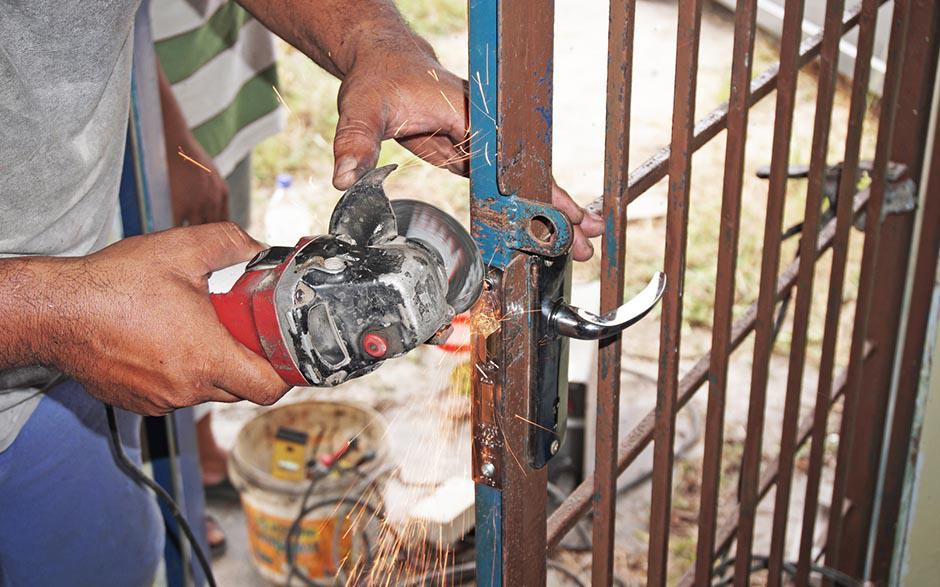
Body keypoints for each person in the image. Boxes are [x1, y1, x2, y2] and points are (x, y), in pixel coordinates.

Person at [0, 0, 603, 584]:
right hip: (61, 318)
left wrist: (377, 41)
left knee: (109, 562)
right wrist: (54, 314)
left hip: (65, 352)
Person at [153, 0, 288, 557]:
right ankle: (170, 483)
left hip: (219, 75)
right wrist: (174, 142)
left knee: (225, 276)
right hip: (163, 102)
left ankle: (202, 454)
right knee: (167, 310)